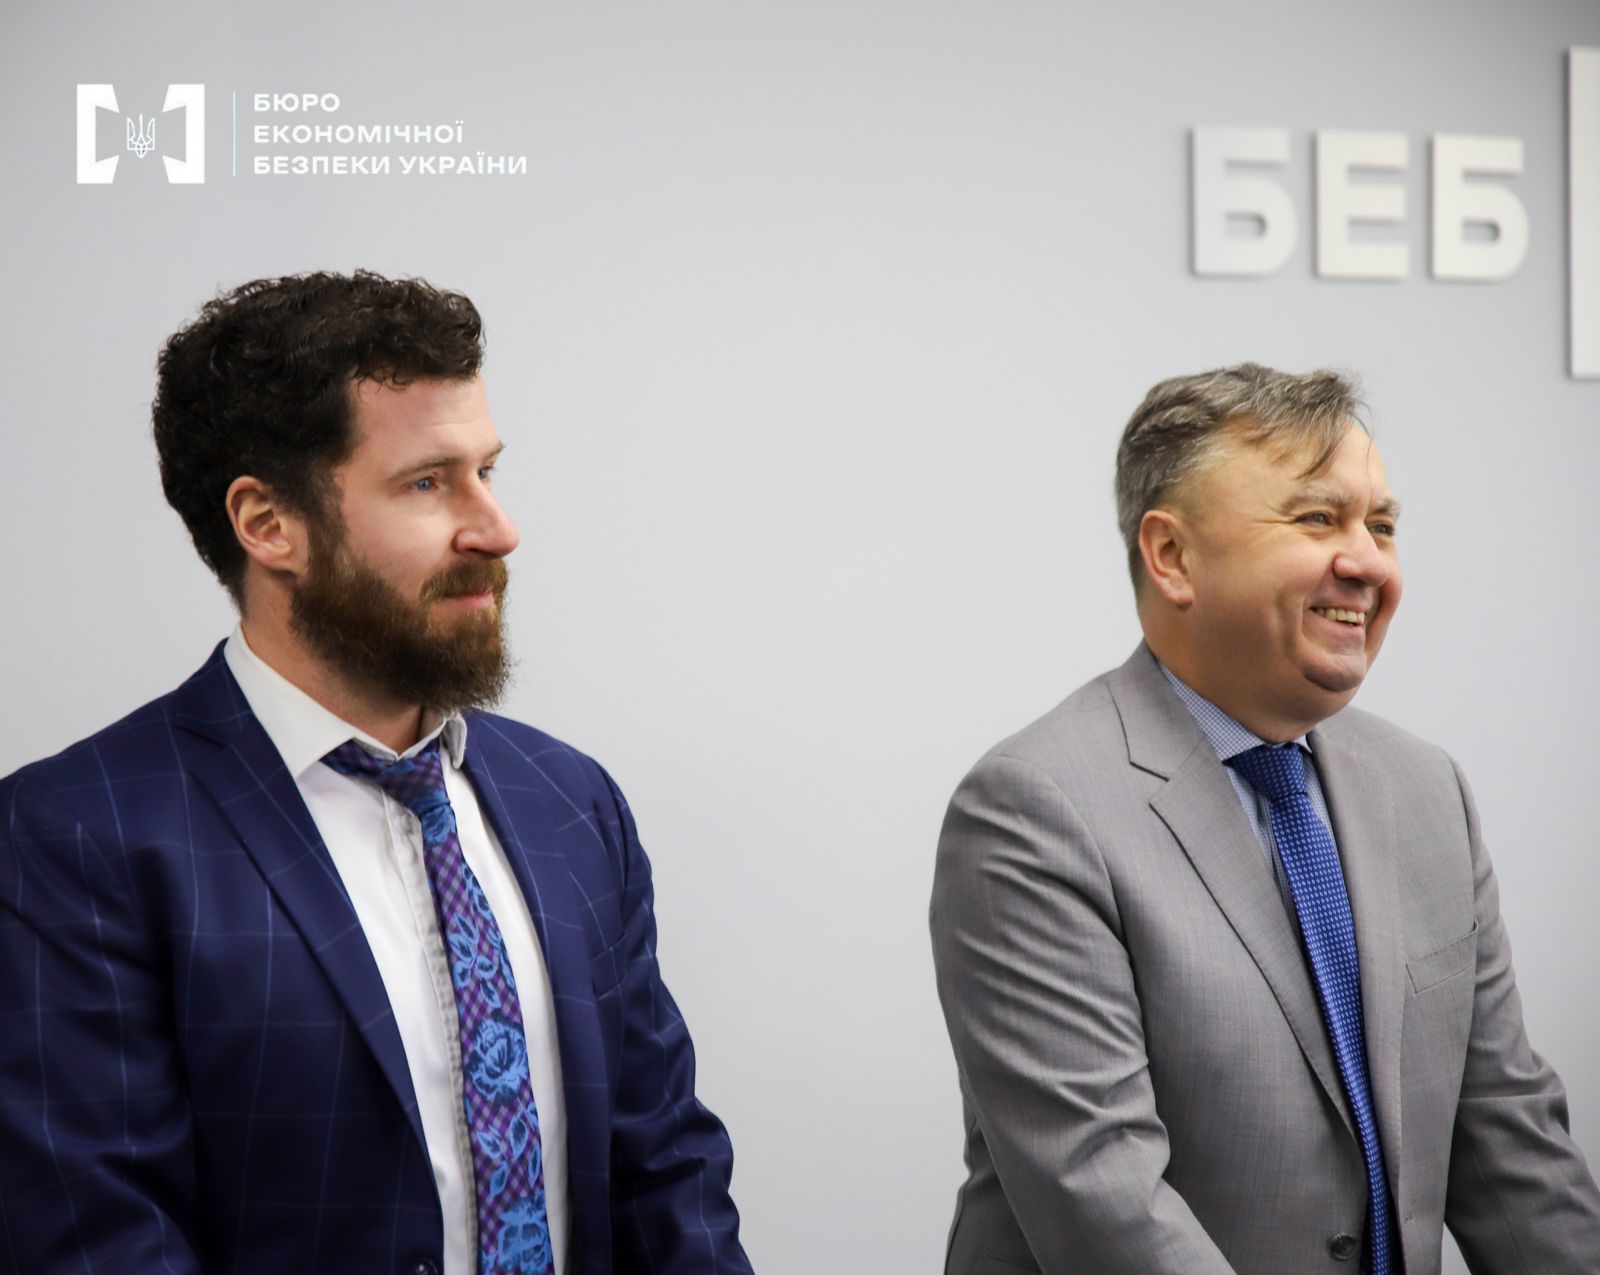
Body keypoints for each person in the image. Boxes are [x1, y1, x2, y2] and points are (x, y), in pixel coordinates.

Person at [0, 271, 753, 1275]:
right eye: (428, 483)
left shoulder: (571, 803)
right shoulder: (75, 836)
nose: (496, 527)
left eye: (487, 469)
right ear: (268, 524)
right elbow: (97, 1240)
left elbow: (669, 1175)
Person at [929, 363, 1600, 1274]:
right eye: (1318, 518)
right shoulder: (1036, 809)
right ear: (1172, 557)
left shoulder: (1425, 790)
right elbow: (1106, 1206)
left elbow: (1517, 1156)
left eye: (1384, 526)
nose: (1366, 560)